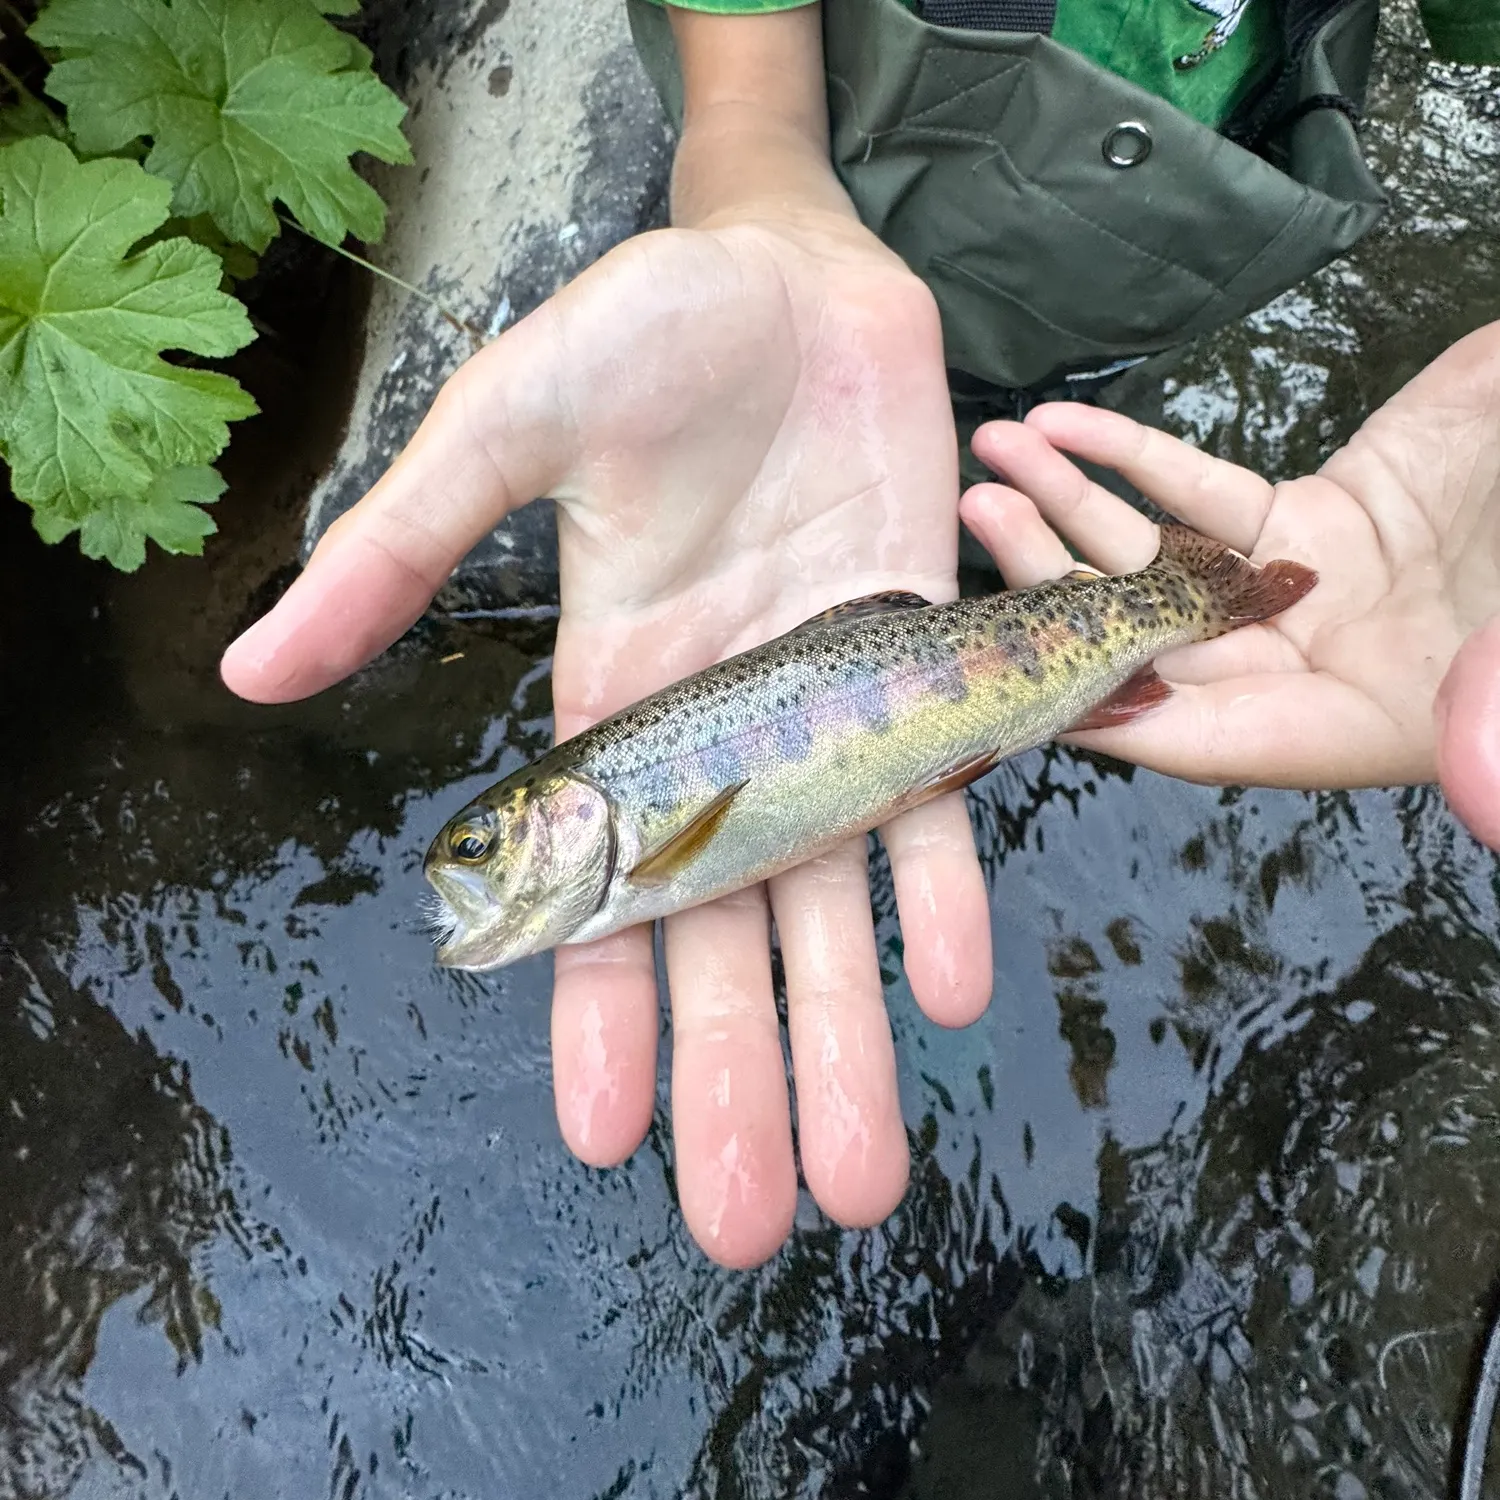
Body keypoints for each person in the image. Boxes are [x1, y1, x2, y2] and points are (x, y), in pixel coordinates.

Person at [219, 2, 1500, 1268]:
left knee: (1032, 464)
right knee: (1014, 495)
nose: (479, 867)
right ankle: (1159, 596)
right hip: (870, 240)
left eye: (487, 843)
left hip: (1134, 287)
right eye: (486, 844)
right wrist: (761, 177)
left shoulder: (651, 848)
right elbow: (748, 88)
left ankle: (1173, 592)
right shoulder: (640, 843)